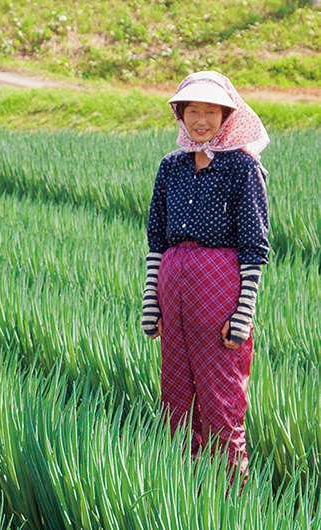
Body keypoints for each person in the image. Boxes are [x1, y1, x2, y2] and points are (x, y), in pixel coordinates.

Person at [141, 71, 270, 484]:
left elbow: (254, 246)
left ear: (227, 115)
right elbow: (156, 240)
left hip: (219, 288)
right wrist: (150, 302)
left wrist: (243, 312)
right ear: (179, 114)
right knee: (175, 397)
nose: (201, 119)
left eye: (210, 111)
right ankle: (183, 493)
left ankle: (229, 499)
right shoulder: (171, 167)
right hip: (173, 287)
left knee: (221, 400)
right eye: (192, 110)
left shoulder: (243, 167)